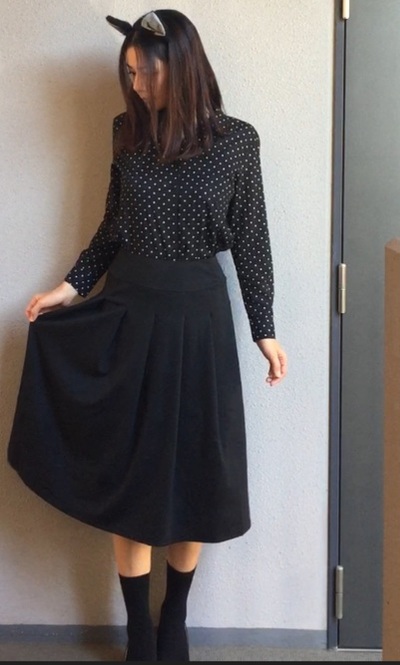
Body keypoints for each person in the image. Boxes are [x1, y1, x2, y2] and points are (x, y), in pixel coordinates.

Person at [7, 7, 287, 663]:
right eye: (129, 73)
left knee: (196, 475)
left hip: (199, 324)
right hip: (128, 314)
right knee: (132, 474)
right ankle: (138, 628)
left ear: (181, 68)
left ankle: (174, 618)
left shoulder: (237, 141)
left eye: (147, 74)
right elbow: (112, 228)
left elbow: (252, 241)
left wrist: (265, 330)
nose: (136, 86)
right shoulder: (125, 133)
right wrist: (68, 287)